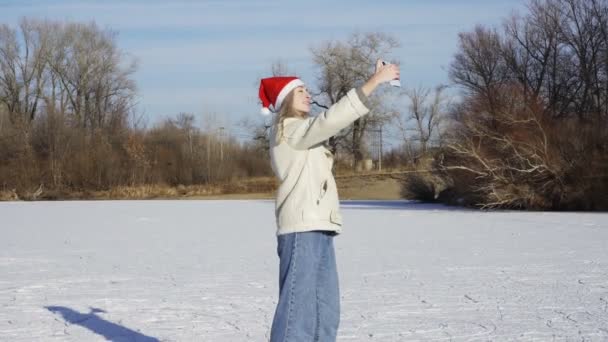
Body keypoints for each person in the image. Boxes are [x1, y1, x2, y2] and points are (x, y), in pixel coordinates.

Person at [259, 59, 400, 342]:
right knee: (297, 312)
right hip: (301, 229)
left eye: (308, 91)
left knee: (326, 310)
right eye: (301, 92)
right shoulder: (289, 129)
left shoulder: (302, 131)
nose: (309, 95)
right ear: (286, 98)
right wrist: (373, 82)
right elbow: (331, 119)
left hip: (319, 227)